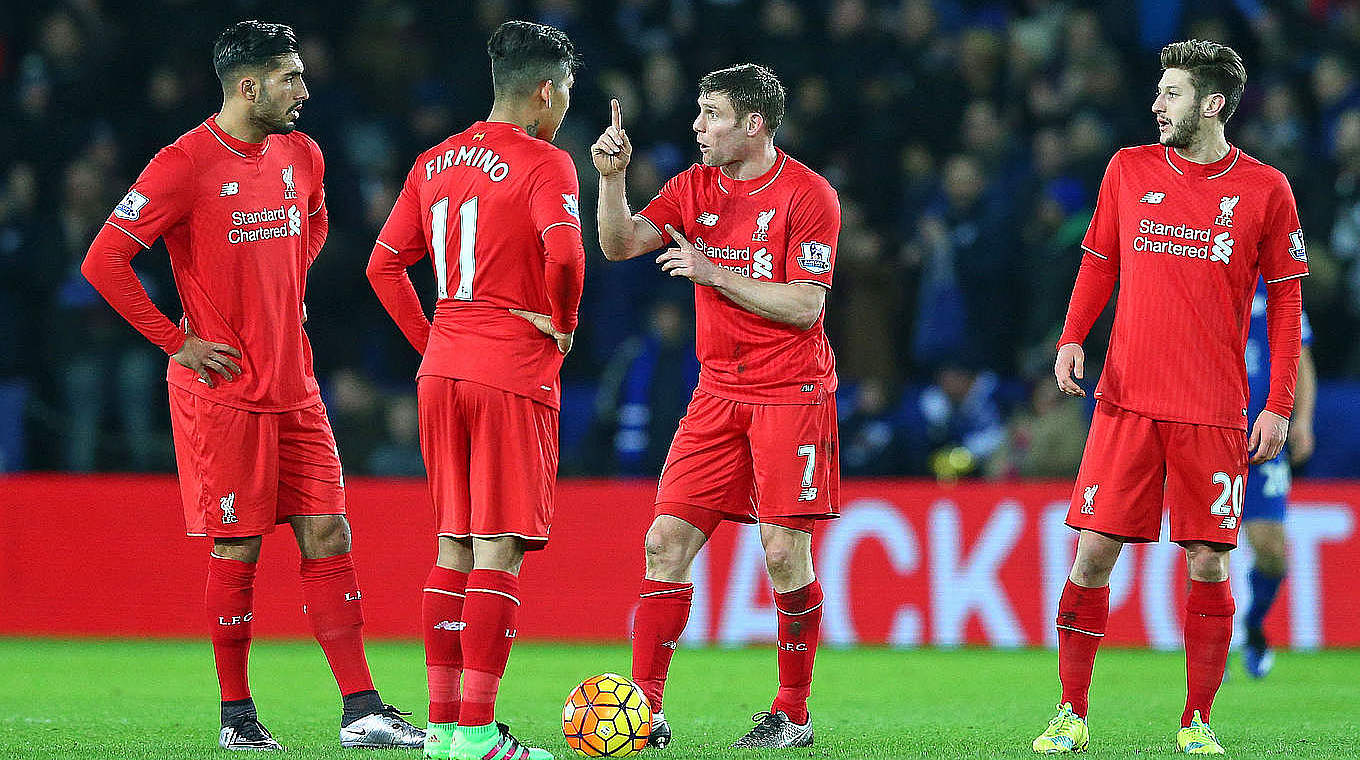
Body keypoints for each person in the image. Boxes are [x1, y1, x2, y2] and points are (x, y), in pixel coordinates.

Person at [80, 21, 424, 751]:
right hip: (225, 395)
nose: (304, 90)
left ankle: (361, 709)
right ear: (249, 85)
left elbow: (317, 221)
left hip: (296, 386)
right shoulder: (184, 163)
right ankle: (238, 717)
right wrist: (178, 343)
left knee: (329, 532)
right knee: (238, 549)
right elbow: (105, 260)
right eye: (291, 77)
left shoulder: (304, 154)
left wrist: (287, 281)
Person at [1035, 40, 1309, 755]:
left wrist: (1277, 403)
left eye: (1172, 94)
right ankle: (1070, 711)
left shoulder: (1266, 190)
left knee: (1210, 563)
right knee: (1092, 555)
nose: (1156, 104)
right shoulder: (1127, 170)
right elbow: (1099, 258)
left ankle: (1197, 720)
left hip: (1214, 412)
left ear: (1213, 104)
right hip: (1125, 402)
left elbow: (1286, 304)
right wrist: (1072, 337)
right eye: (1158, 92)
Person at [593, 62, 841, 749]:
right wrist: (612, 181)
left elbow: (805, 305)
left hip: (791, 392)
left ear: (753, 123)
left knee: (785, 553)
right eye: (699, 113)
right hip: (717, 394)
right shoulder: (691, 187)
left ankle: (792, 712)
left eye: (712, 115)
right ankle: (645, 710)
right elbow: (617, 245)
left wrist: (711, 272)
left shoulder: (808, 195)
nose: (697, 127)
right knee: (664, 541)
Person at [366, 20, 584, 760]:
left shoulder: (433, 160)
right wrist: (562, 324)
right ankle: (478, 732)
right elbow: (567, 255)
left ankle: (443, 730)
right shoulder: (546, 161)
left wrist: (437, 344)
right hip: (510, 371)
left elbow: (382, 265)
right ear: (545, 90)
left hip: (444, 372)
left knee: (452, 545)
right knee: (498, 549)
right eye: (565, 95)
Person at [1240, 279, 1317, 678]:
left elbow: (1300, 359)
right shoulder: (1204, 267)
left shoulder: (1278, 286)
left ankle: (1253, 625)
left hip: (1265, 436)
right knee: (1199, 548)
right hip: (1211, 429)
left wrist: (1301, 419)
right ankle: (1206, 653)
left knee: (1271, 548)